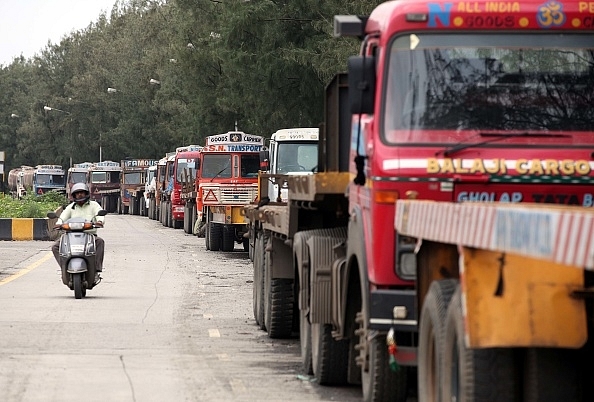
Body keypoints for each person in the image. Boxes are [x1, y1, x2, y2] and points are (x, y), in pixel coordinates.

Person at [51, 182, 105, 285]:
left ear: (86, 194)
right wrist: (59, 224)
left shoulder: (94, 205)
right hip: (70, 235)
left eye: (82, 193)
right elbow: (62, 217)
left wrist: (100, 221)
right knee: (55, 247)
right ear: (74, 195)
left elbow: (100, 214)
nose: (80, 195)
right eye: (77, 193)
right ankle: (64, 267)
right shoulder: (71, 207)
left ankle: (96, 270)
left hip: (89, 235)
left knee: (100, 242)